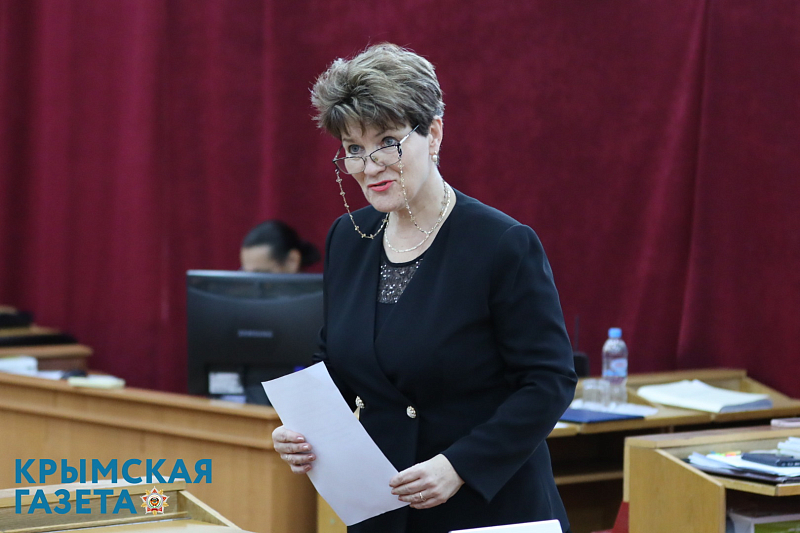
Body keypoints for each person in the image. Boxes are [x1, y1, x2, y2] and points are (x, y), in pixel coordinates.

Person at [272, 43, 577, 533]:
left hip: (486, 507)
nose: (370, 166)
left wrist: (459, 465)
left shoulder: (501, 244)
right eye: (353, 149)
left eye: (387, 141)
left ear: (432, 133)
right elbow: (337, 361)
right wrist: (303, 428)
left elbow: (549, 381)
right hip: (383, 509)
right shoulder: (348, 237)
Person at [240, 219, 320, 273]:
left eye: (262, 273)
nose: (252, 282)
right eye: (246, 274)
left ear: (292, 261)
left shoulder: (321, 293)